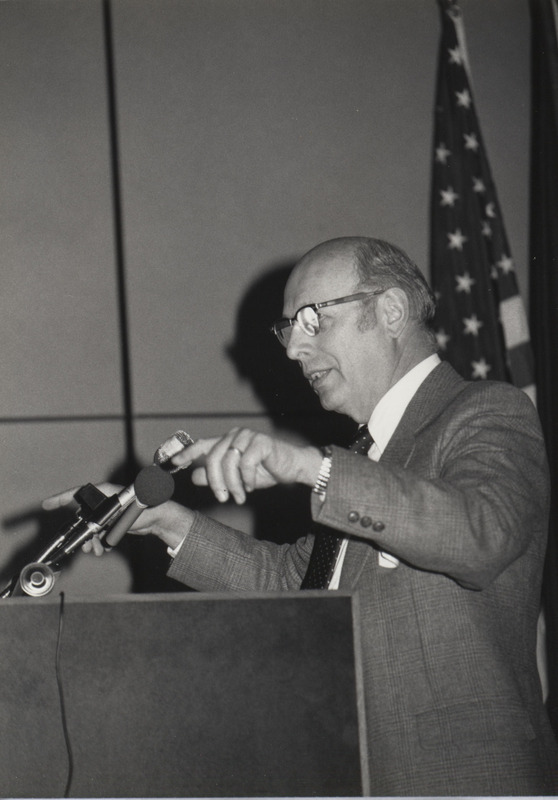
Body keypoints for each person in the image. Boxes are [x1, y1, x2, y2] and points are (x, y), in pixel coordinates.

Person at [45, 237, 558, 795]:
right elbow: (300, 583)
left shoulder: (487, 410)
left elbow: (482, 534)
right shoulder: (368, 455)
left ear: (390, 310)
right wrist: (166, 522)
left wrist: (311, 466)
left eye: (313, 319)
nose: (293, 348)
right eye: (288, 327)